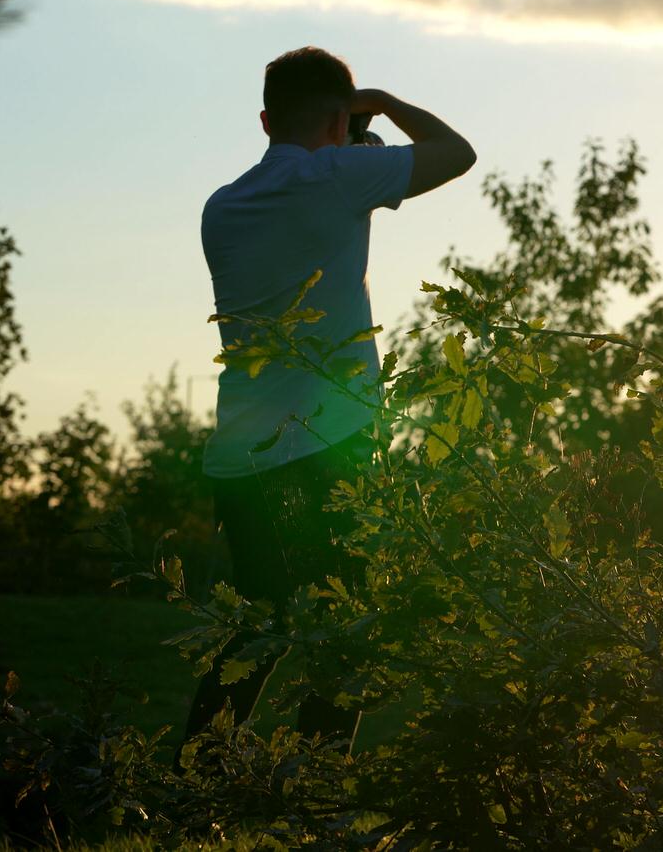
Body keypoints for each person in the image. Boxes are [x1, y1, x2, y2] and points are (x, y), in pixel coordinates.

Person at [183, 47, 476, 752]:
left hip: (238, 457)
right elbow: (456, 152)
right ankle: (316, 785)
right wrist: (383, 102)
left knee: (259, 627)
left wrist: (349, 131)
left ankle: (193, 779)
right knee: (349, 625)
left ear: (264, 120)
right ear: (339, 119)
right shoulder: (341, 175)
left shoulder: (221, 206)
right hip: (323, 448)